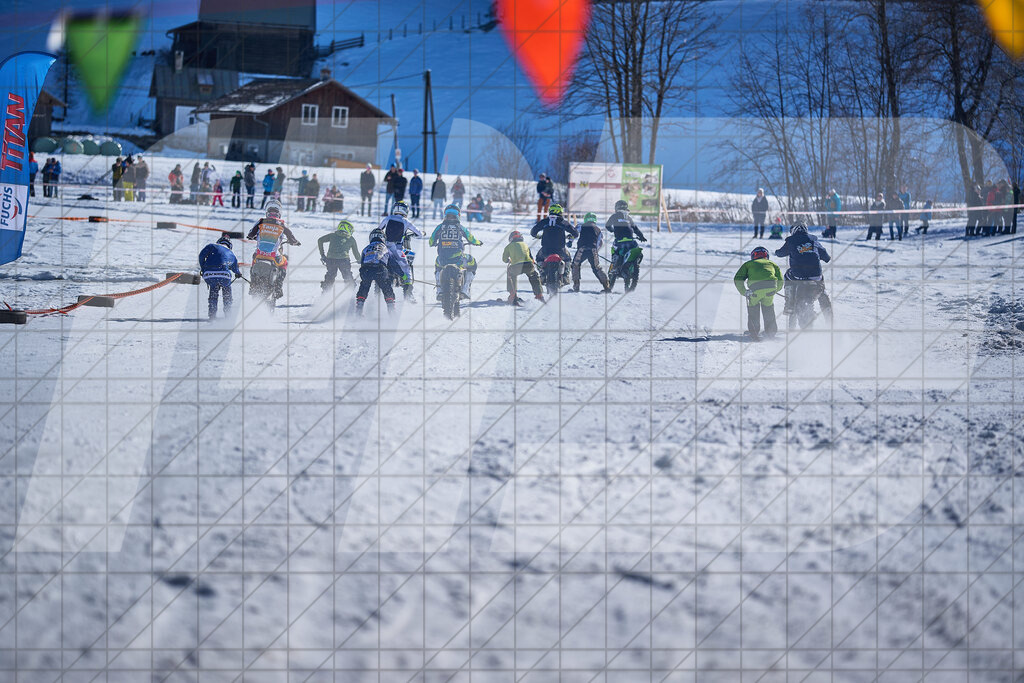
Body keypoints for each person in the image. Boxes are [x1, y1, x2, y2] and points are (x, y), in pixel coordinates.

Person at [774, 221, 832, 323]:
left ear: (794, 230)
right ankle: (828, 312)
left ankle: (790, 304)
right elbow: (827, 258)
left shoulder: (791, 241)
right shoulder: (814, 241)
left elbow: (780, 253)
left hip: (799, 277)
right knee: (822, 287)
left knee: (787, 274)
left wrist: (777, 252)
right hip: (816, 277)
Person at [246, 199, 301, 300]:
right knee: (284, 263)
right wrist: (295, 242)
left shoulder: (261, 221)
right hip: (273, 256)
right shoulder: (281, 224)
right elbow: (290, 236)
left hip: (259, 255)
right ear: (279, 214)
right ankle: (278, 287)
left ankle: (253, 284)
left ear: (267, 213)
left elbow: (250, 234)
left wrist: (252, 236)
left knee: (253, 262)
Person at [429, 203, 482, 300]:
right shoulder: (460, 227)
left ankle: (439, 290)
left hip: (442, 260)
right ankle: (465, 289)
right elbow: (471, 239)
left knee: (437, 267)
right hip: (458, 259)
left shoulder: (440, 227)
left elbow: (431, 241)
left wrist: (433, 243)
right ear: (458, 215)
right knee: (472, 262)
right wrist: (477, 242)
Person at [734, 245, 784, 340]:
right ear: (767, 256)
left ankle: (754, 332)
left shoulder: (748, 264)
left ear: (753, 256)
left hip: (755, 290)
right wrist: (775, 290)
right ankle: (771, 331)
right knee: (768, 308)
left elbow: (738, 279)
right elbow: (781, 280)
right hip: (771, 288)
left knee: (753, 308)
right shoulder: (772, 264)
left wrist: (744, 292)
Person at [376, 199, 423, 299]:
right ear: (405, 210)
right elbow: (419, 234)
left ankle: (376, 289)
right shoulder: (406, 221)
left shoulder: (388, 218)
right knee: (406, 268)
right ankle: (408, 293)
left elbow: (378, 230)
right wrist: (421, 234)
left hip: (384, 248)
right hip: (397, 249)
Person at [530, 204, 578, 287]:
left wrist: (538, 236)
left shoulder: (544, 221)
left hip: (545, 250)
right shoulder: (563, 222)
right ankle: (566, 276)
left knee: (539, 257)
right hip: (560, 250)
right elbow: (576, 233)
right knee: (568, 258)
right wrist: (571, 236)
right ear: (560, 212)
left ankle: (542, 274)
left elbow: (533, 232)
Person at [198, 234, 242, 319]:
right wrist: (238, 273)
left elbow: (201, 256)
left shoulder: (211, 246)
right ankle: (228, 314)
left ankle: (212, 315)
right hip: (224, 275)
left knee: (213, 290)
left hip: (209, 274)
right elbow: (235, 269)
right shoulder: (232, 254)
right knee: (227, 293)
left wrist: (203, 268)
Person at [605, 200, 647, 285]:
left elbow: (607, 226)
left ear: (616, 208)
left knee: (615, 253)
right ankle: (632, 267)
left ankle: (615, 267)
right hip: (631, 241)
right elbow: (635, 228)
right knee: (635, 251)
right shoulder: (628, 217)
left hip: (619, 240)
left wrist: (612, 230)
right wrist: (642, 237)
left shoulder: (614, 216)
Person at [355, 228, 396, 315]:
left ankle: (359, 307)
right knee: (386, 287)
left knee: (364, 286)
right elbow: (393, 263)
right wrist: (401, 275)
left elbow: (362, 262)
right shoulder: (386, 248)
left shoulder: (366, 248)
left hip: (366, 269)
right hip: (380, 269)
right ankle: (391, 310)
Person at [571, 212, 610, 292]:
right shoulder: (598, 229)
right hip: (593, 250)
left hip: (582, 249)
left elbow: (575, 233)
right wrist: (596, 251)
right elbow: (600, 242)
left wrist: (570, 241)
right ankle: (607, 287)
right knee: (597, 268)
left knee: (575, 265)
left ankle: (576, 286)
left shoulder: (581, 226)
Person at [502, 230, 544, 304]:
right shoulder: (525, 245)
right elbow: (531, 257)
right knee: (534, 276)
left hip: (516, 267)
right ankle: (539, 295)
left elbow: (504, 259)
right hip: (529, 265)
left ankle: (512, 295)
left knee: (511, 275)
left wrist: (508, 260)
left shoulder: (508, 247)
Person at [318, 220, 360, 290]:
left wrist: (322, 254)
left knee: (330, 276)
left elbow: (320, 240)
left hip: (331, 260)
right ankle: (351, 293)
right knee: (348, 277)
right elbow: (356, 253)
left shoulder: (332, 235)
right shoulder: (351, 239)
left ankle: (325, 293)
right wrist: (360, 260)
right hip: (344, 261)